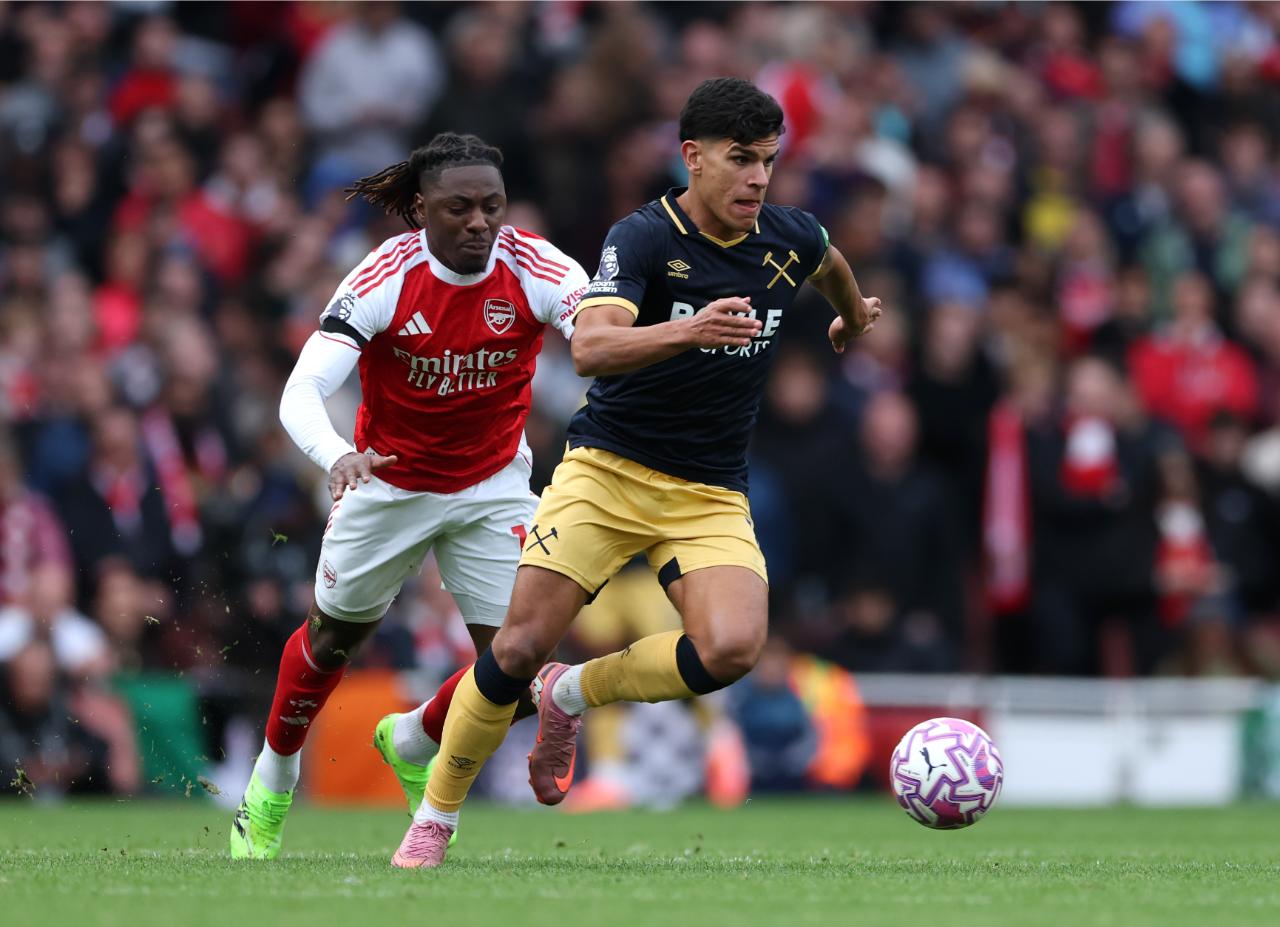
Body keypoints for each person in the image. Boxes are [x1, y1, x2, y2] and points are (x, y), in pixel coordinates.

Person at [391, 78, 883, 868]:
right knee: (516, 647)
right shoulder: (645, 237)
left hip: (707, 490)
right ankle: (436, 817)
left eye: (768, 160)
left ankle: (570, 692)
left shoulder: (788, 236)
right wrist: (690, 330)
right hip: (608, 472)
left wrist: (851, 317)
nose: (759, 178)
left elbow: (829, 263)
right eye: (741, 159)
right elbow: (591, 346)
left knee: (732, 647)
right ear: (693, 157)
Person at [229, 133, 589, 859]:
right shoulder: (384, 277)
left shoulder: (540, 268)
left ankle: (413, 736)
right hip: (386, 482)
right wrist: (338, 456)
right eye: (460, 208)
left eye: (492, 206)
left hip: (492, 484)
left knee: (520, 672)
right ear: (422, 210)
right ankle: (273, 778)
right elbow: (301, 390)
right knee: (330, 643)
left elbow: (599, 341)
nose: (480, 223)